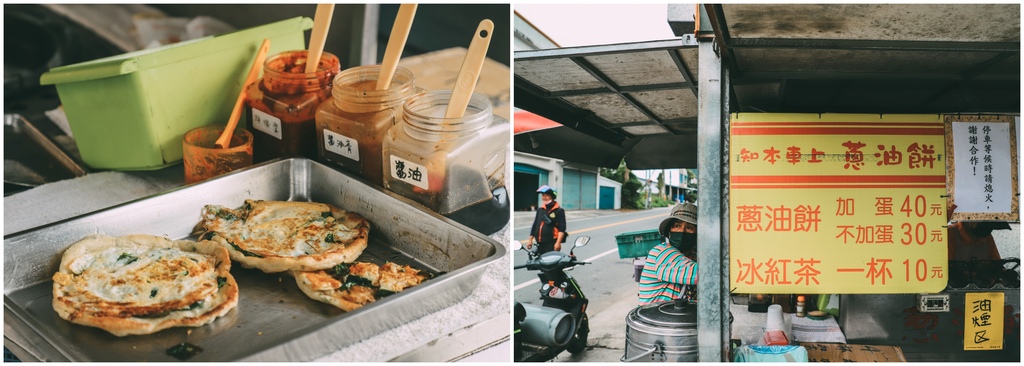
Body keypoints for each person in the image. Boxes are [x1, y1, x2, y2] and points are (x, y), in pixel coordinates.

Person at [638, 202, 699, 306]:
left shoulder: (691, 254)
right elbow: (702, 275)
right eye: (677, 226)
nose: (682, 231)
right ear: (669, 230)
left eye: (689, 228)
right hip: (654, 319)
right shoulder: (662, 252)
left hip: (674, 318)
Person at [526, 185, 566, 253]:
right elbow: (535, 225)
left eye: (547, 195)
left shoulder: (559, 211)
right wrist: (530, 240)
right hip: (539, 243)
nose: (544, 198)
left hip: (551, 244)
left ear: (553, 197)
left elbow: (562, 229)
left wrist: (558, 243)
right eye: (543, 195)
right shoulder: (540, 210)